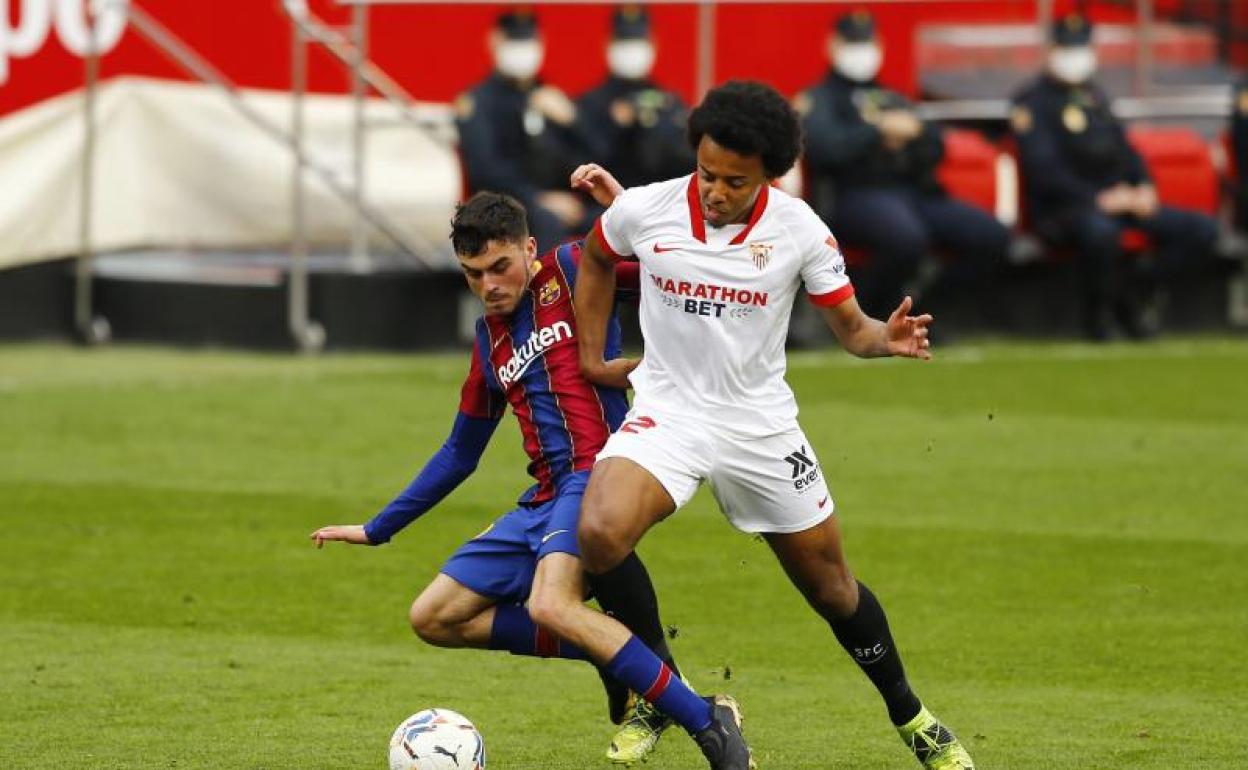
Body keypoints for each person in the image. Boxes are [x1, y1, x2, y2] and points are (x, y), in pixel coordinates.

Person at [523, 81, 975, 770]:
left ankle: (910, 714)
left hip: (758, 425)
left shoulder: (800, 231)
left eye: (735, 181)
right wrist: (591, 354)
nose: (715, 191)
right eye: (706, 173)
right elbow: (595, 256)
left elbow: (852, 330)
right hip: (668, 411)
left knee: (831, 588)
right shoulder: (646, 208)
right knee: (600, 531)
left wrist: (891, 338)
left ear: (770, 174)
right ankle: (658, 693)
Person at [309, 184, 682, 765]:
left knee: (552, 599)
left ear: (530, 249)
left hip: (601, 478)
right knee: (431, 618)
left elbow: (668, 273)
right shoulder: (489, 342)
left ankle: (695, 710)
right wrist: (378, 528)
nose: (489, 286)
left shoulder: (569, 268)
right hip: (543, 500)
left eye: (500, 267)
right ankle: (607, 650)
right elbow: (461, 451)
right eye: (473, 274)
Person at [1011, 12, 1219, 340]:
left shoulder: (1096, 96)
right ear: (1051, 50)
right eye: (1068, 48)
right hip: (1066, 208)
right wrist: (1098, 199)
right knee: (1101, 233)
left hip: (1119, 200)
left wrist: (1143, 188)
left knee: (1201, 230)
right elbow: (1044, 171)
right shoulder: (1032, 102)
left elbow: (1126, 151)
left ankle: (1137, 289)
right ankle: (1100, 320)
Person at [796, 10, 1010, 321]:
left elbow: (935, 145)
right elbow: (825, 149)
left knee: (992, 236)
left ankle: (928, 311)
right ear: (833, 45)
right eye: (853, 43)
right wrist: (877, 131)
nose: (862, 51)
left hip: (915, 192)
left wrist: (913, 134)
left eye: (867, 42)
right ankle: (865, 317)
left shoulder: (893, 98)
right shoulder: (818, 99)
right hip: (856, 195)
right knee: (905, 237)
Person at [456, 9, 594, 251]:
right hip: (505, 205)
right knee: (544, 222)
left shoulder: (551, 98)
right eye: (515, 41)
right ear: (495, 41)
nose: (522, 49)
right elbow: (485, 170)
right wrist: (537, 198)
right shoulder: (479, 102)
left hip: (560, 199)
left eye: (528, 41)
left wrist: (574, 120)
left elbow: (593, 155)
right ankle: (540, 290)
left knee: (610, 216)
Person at [577, 5, 694, 190]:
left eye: (638, 41)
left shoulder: (669, 102)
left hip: (659, 204)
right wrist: (615, 125)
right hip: (605, 206)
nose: (631, 50)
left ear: (652, 44)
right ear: (609, 44)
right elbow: (580, 163)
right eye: (624, 41)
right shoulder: (590, 103)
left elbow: (686, 163)